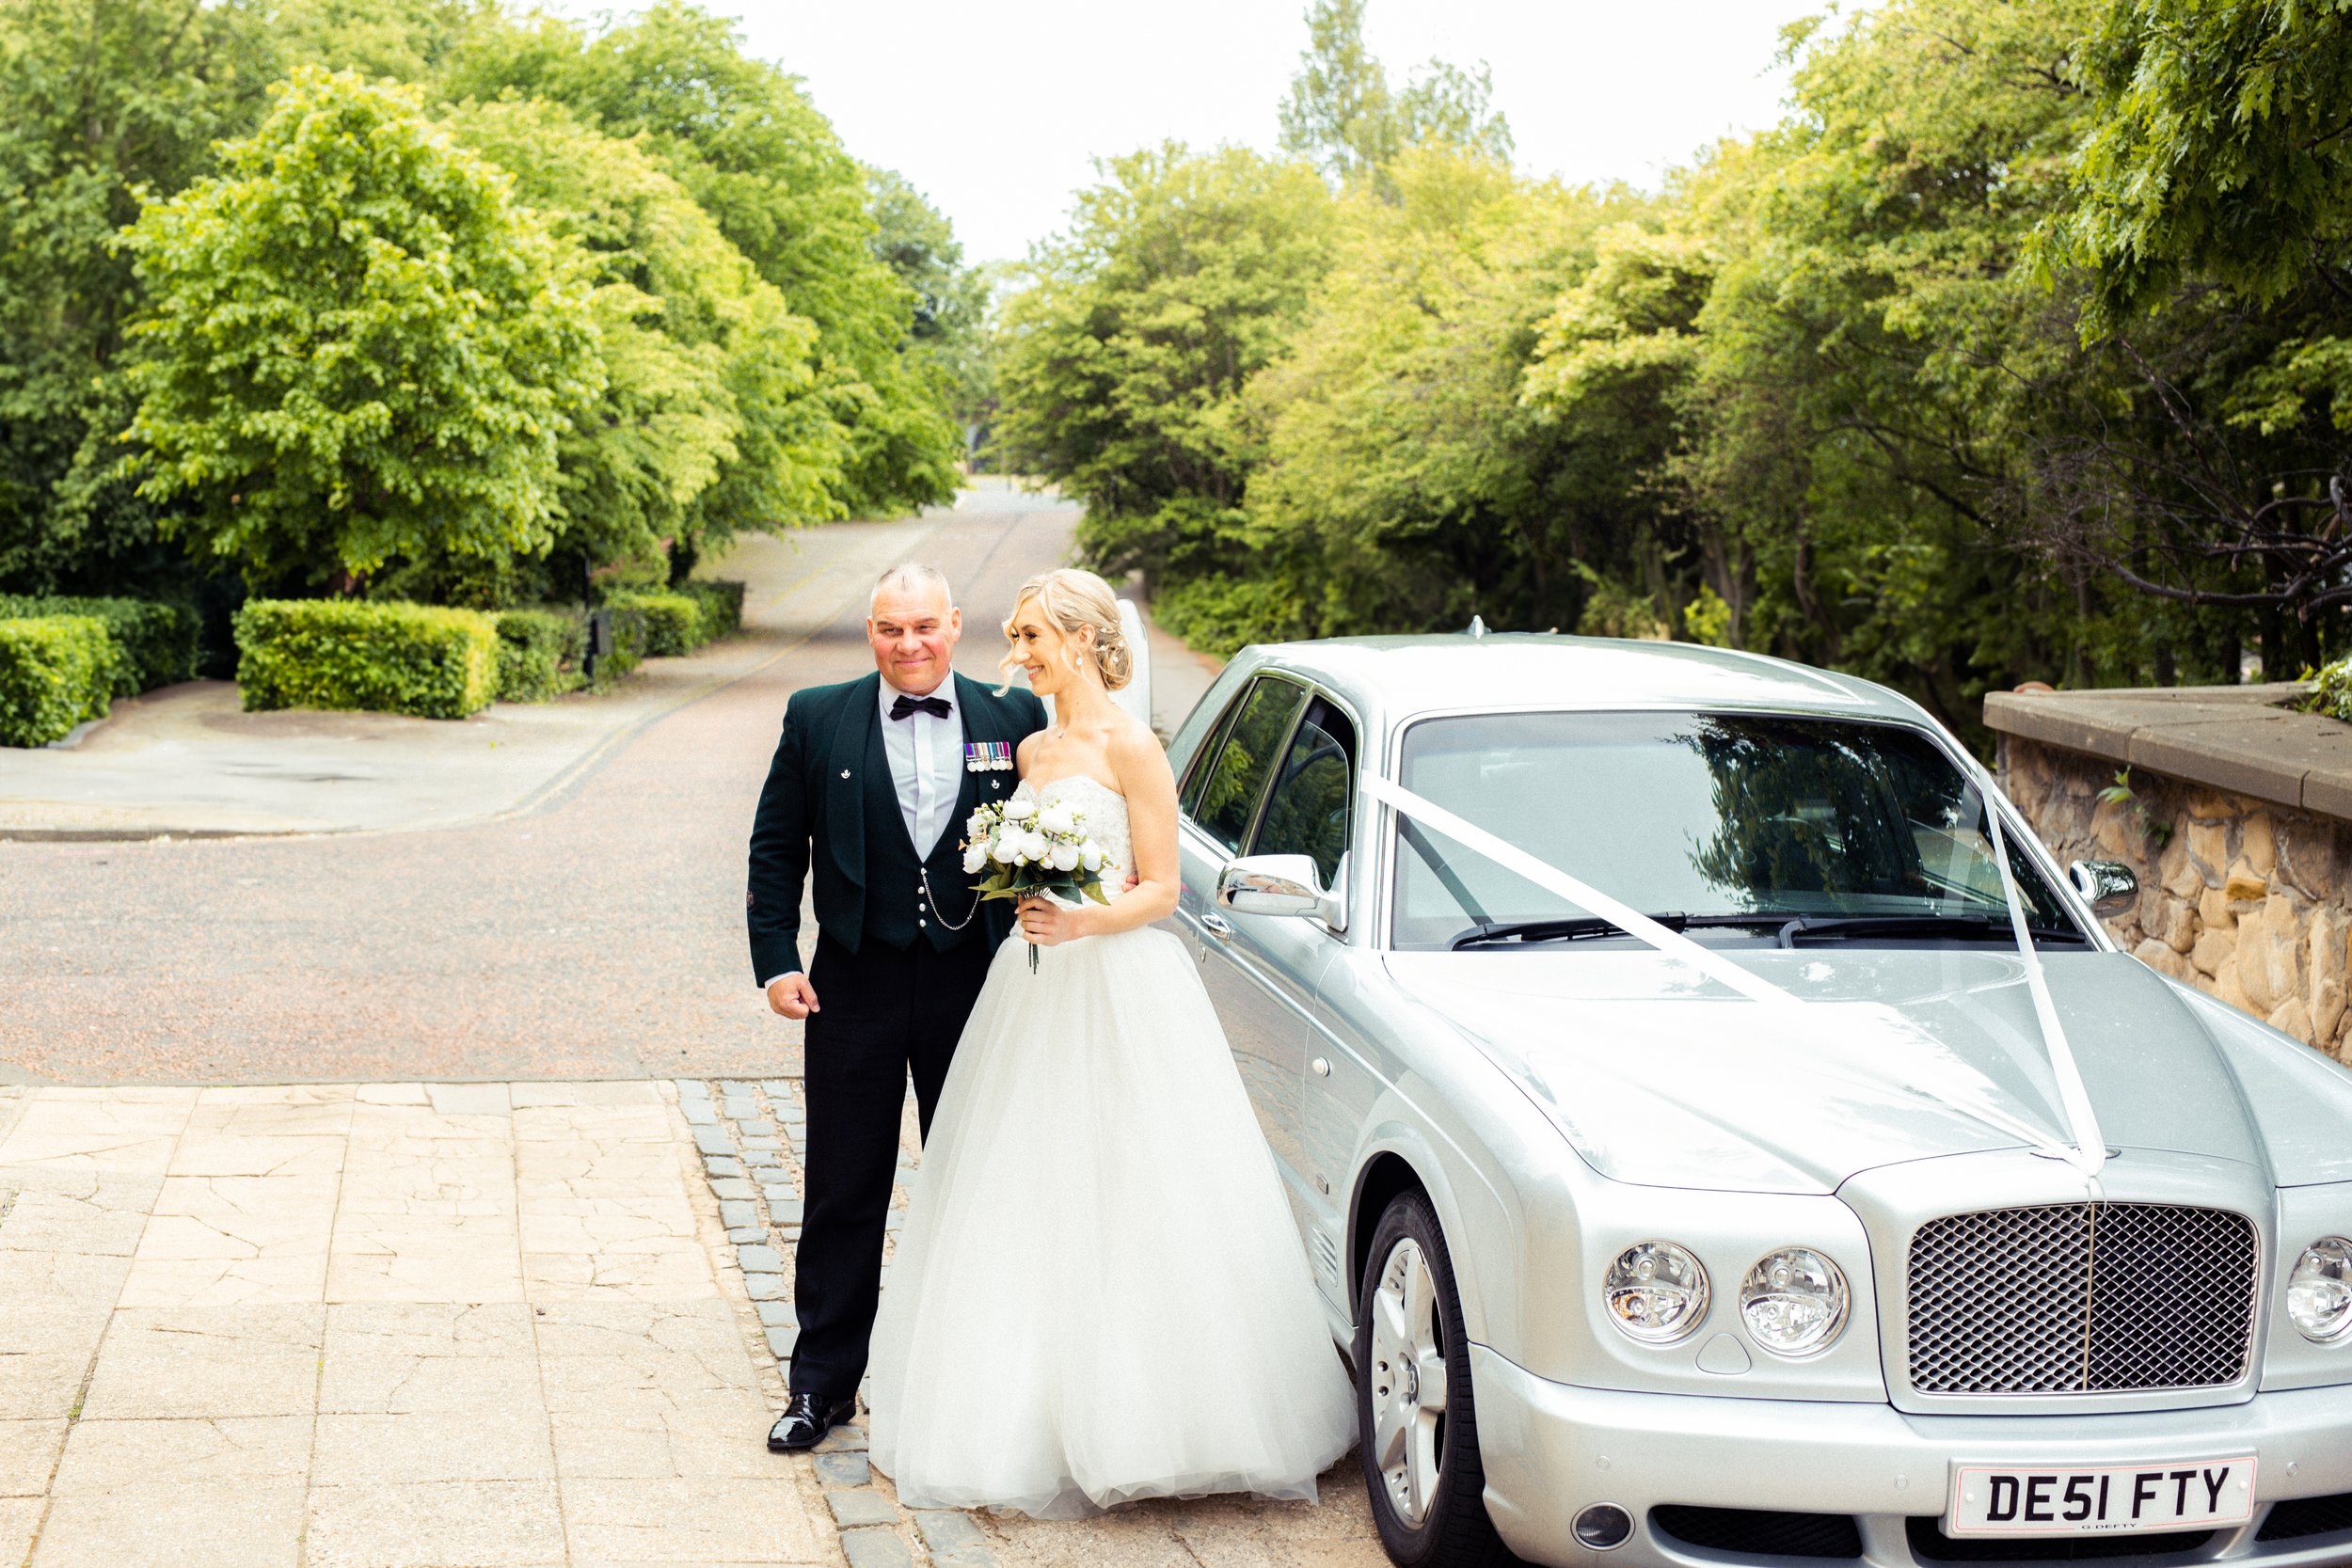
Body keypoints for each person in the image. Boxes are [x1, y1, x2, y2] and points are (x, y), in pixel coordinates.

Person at [865, 567, 1355, 1517]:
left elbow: (1163, 887)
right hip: (1034, 987)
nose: (1018, 657)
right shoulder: (1035, 746)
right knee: (1026, 1184)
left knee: (1146, 1182)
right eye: (1015, 639)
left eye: (1032, 638)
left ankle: (1165, 1417)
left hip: (1122, 981)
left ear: (1083, 640)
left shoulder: (1136, 747)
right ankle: (1027, 1412)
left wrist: (1085, 922)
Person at [745, 562, 1046, 1451]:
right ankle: (821, 1386)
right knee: (844, 1187)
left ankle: (979, 1382)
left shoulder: (1013, 717)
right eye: (890, 629)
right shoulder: (815, 715)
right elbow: (774, 850)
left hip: (975, 984)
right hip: (852, 985)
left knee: (976, 1185)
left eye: (924, 626)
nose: (909, 644)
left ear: (953, 624)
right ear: (869, 632)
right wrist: (774, 962)